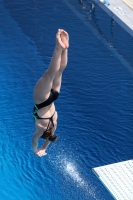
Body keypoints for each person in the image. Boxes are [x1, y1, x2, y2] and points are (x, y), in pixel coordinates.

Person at [32, 29, 69, 157]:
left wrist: (44, 148)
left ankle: (65, 46)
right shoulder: (40, 128)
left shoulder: (54, 124)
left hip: (54, 96)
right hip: (41, 100)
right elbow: (34, 140)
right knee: (50, 74)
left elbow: (51, 136)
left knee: (60, 71)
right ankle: (59, 48)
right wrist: (36, 150)